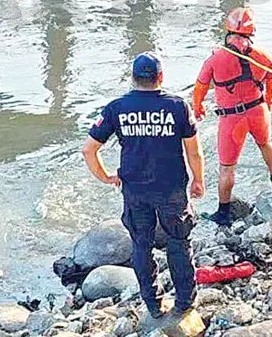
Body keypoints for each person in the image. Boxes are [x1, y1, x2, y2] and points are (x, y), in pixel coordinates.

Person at [82, 52, 205, 319]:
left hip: (135, 189)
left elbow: (89, 150)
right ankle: (184, 302)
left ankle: (153, 303)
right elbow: (193, 152)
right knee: (179, 242)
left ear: (133, 77)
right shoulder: (177, 106)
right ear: (160, 77)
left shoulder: (116, 108)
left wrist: (106, 177)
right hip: (171, 188)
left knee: (141, 244)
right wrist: (198, 179)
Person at [193, 7, 272, 227]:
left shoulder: (215, 59)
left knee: (227, 167)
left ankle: (223, 213)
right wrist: (269, 103)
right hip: (258, 111)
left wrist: (197, 108)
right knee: (266, 145)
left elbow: (200, 87)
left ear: (228, 31)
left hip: (232, 119)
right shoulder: (262, 55)